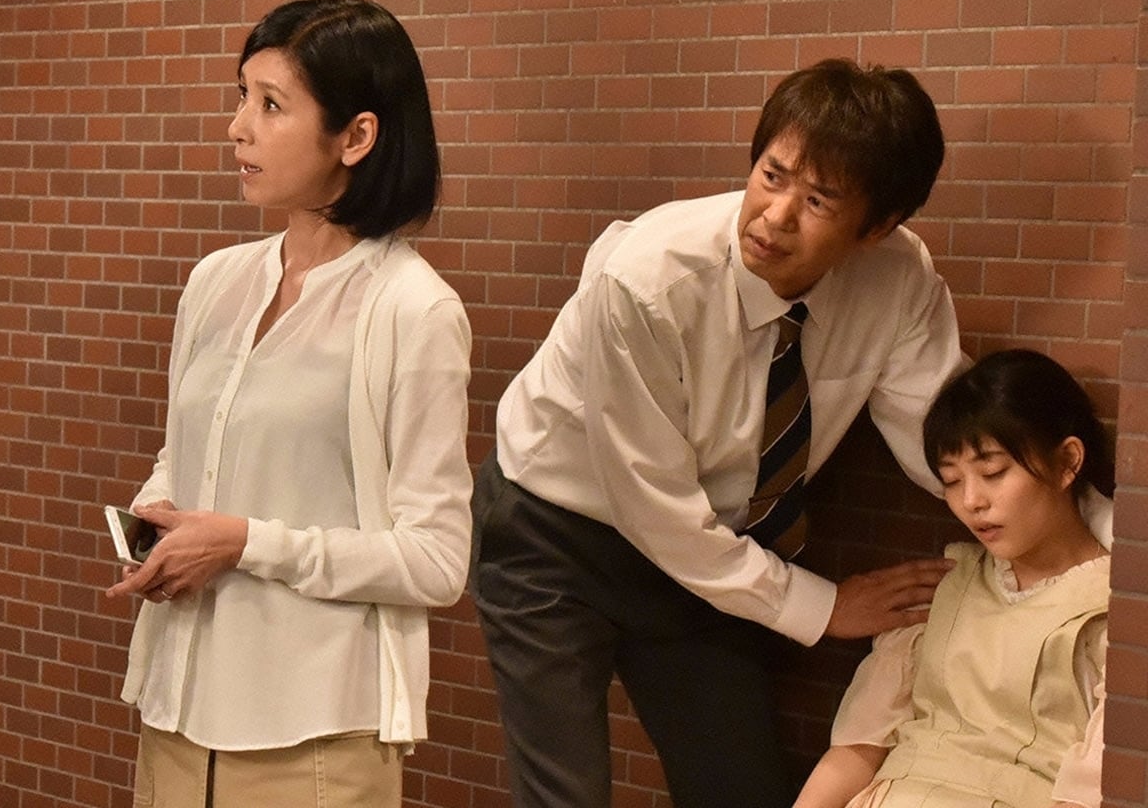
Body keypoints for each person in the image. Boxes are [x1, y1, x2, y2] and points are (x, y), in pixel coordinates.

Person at [471, 59, 971, 808]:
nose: (775, 216)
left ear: (877, 227)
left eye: (818, 200)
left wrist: (1088, 535)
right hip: (552, 532)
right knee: (565, 795)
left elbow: (946, 435)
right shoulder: (646, 280)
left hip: (709, 549)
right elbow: (653, 505)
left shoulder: (897, 280)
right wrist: (825, 607)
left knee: (741, 789)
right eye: (771, 176)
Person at [107, 0, 473, 808]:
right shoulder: (216, 281)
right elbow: (184, 454)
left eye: (271, 105)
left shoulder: (414, 310)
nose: (238, 127)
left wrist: (246, 544)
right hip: (175, 710)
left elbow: (437, 559)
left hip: (316, 735)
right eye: (241, 96)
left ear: (356, 137)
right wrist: (156, 523)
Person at [795, 348, 1111, 808]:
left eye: (992, 472)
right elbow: (855, 750)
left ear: (1067, 462)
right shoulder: (944, 586)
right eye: (951, 480)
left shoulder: (1111, 611)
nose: (971, 501)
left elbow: (1091, 794)